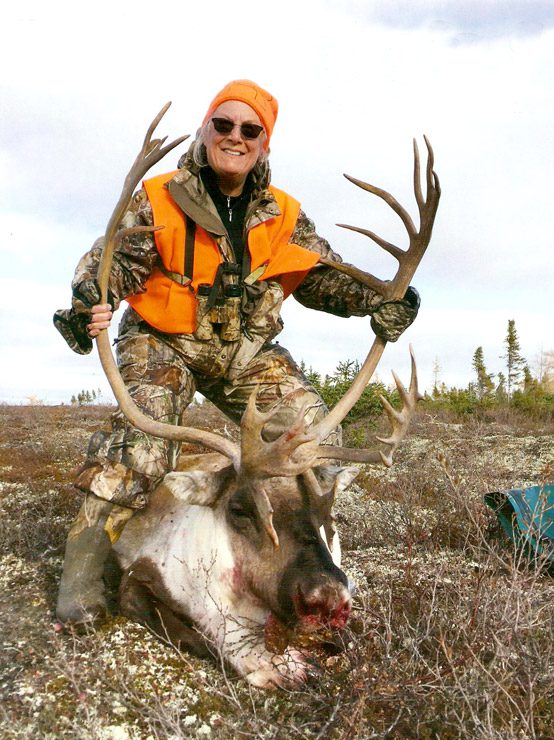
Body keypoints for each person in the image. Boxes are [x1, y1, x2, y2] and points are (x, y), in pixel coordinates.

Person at [53, 80, 419, 624]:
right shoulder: (158, 197)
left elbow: (323, 279)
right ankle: (82, 582)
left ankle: (294, 563)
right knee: (139, 449)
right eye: (222, 124)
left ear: (264, 144)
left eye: (250, 130)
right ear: (205, 131)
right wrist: (92, 300)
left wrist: (385, 300)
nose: (235, 137)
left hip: (244, 354)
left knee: (314, 439)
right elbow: (111, 265)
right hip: (163, 345)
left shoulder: (283, 215)